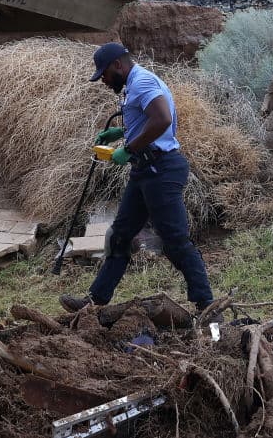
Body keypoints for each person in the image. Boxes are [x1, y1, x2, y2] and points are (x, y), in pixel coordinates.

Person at [60, 42, 214, 313]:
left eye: (104, 74)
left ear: (118, 65)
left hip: (161, 169)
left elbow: (163, 119)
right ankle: (94, 303)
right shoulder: (134, 84)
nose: (104, 81)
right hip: (145, 170)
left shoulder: (142, 82)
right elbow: (146, 120)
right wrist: (119, 134)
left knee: (176, 242)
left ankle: (207, 305)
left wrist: (128, 148)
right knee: (119, 237)